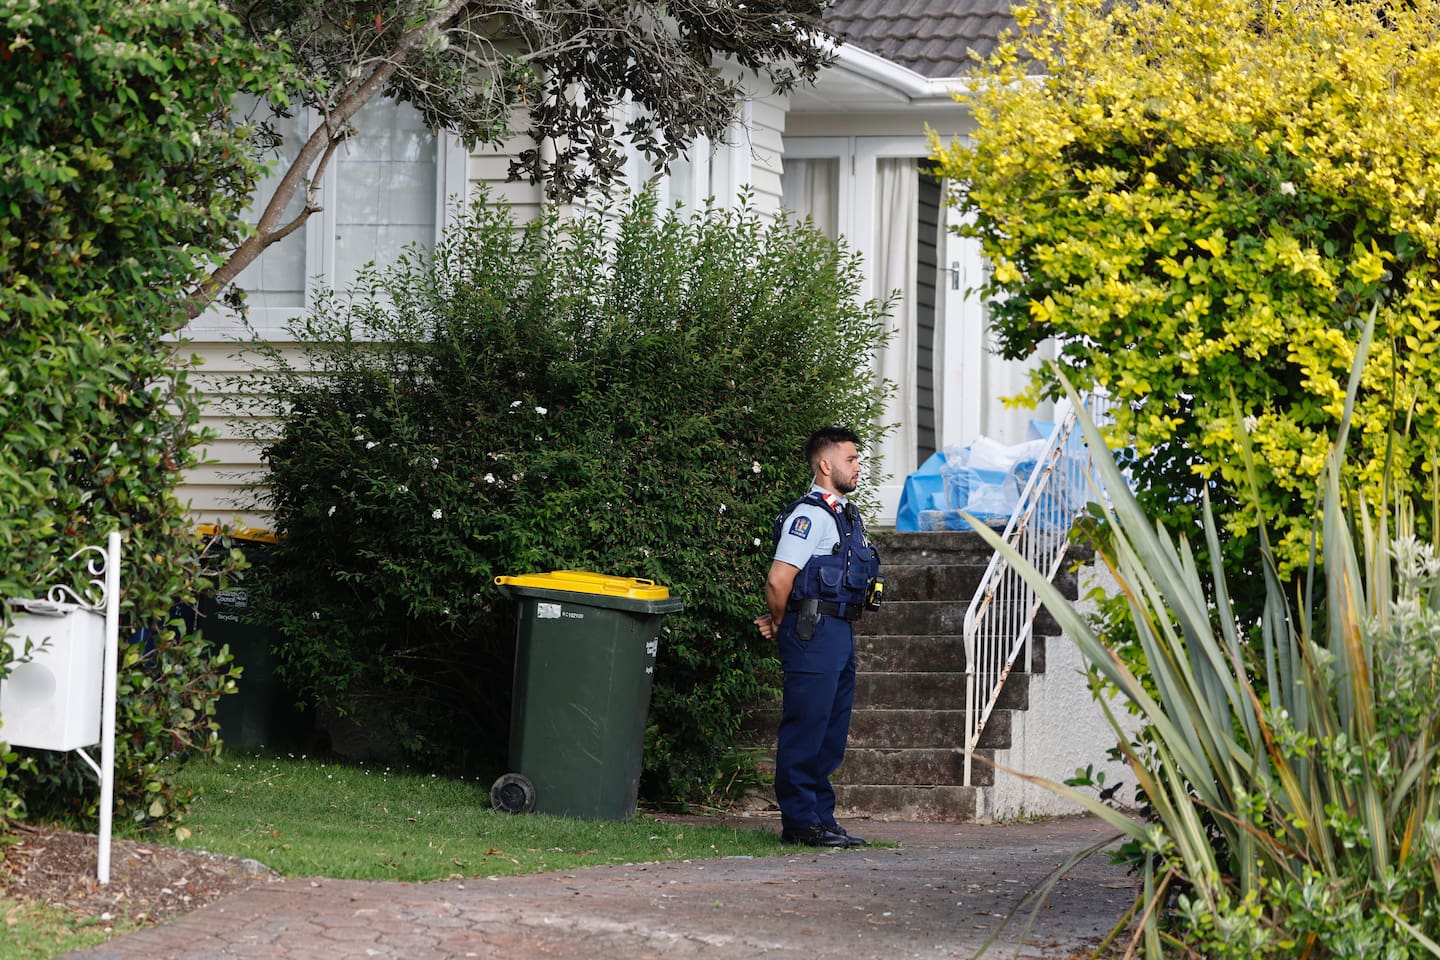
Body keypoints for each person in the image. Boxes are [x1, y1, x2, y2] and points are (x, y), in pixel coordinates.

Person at [754, 426, 881, 848]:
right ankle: (799, 822)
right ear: (826, 465)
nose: (858, 466)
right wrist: (778, 620)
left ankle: (821, 817)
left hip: (839, 630)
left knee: (830, 729)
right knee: (807, 726)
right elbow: (779, 579)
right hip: (812, 629)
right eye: (851, 459)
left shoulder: (845, 516)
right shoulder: (810, 516)